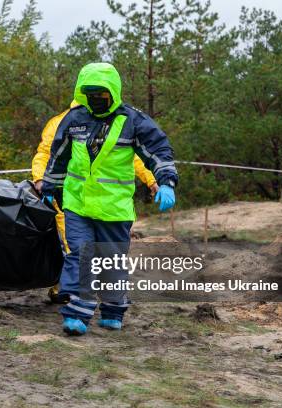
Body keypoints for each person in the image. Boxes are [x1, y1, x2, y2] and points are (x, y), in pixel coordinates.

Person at [41, 62, 178, 335]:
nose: (96, 100)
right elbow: (58, 156)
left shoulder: (134, 122)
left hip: (114, 209)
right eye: (90, 94)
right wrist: (49, 188)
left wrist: (166, 182)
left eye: (101, 94)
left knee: (111, 262)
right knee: (80, 254)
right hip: (77, 204)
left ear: (113, 92)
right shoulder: (74, 119)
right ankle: (77, 315)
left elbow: (158, 150)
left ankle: (114, 309)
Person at [32, 101, 159, 304]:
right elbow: (45, 152)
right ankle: (66, 290)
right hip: (68, 195)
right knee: (72, 244)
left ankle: (98, 293)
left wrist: (152, 179)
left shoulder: (114, 123)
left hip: (105, 201)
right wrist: (40, 180)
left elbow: (133, 157)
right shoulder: (60, 122)